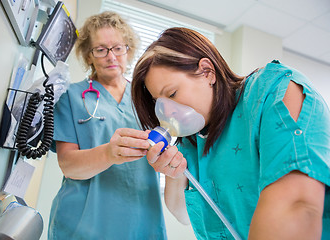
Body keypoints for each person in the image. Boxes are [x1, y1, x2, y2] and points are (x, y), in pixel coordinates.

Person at [131, 27, 330, 239]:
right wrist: (174, 174)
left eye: (172, 93)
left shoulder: (274, 92)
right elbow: (184, 215)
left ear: (207, 72)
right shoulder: (192, 142)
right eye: (158, 102)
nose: (166, 112)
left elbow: (296, 207)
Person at [48, 11, 167, 239]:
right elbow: (68, 165)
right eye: (101, 50)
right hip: (83, 222)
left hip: (141, 219)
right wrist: (108, 154)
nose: (111, 57)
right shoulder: (71, 96)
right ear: (88, 55)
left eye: (118, 48)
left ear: (128, 50)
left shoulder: (149, 98)